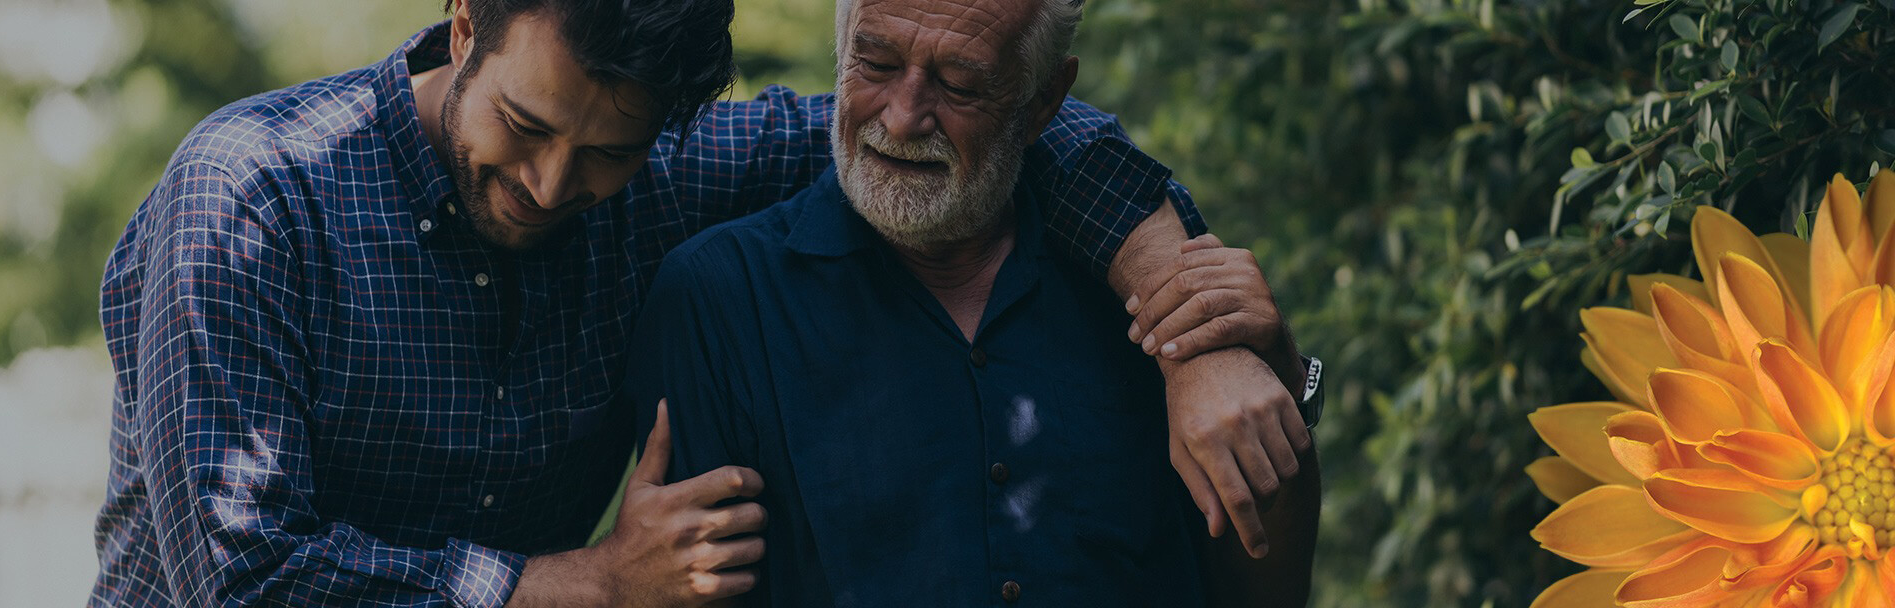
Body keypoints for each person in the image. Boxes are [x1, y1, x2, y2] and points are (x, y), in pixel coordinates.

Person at [92, 0, 1312, 606]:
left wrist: (1187, 321)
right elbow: (245, 581)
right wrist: (585, 583)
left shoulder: (659, 181)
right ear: (464, 23)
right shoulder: (253, 194)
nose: (551, 185)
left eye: (608, 153)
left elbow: (1008, 129)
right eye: (523, 124)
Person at [625, 0, 1321, 605]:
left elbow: (1259, 587)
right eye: (874, 63)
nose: (901, 120)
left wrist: (1276, 388)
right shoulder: (718, 299)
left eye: (959, 84)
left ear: (1045, 100)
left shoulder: (1152, 285)